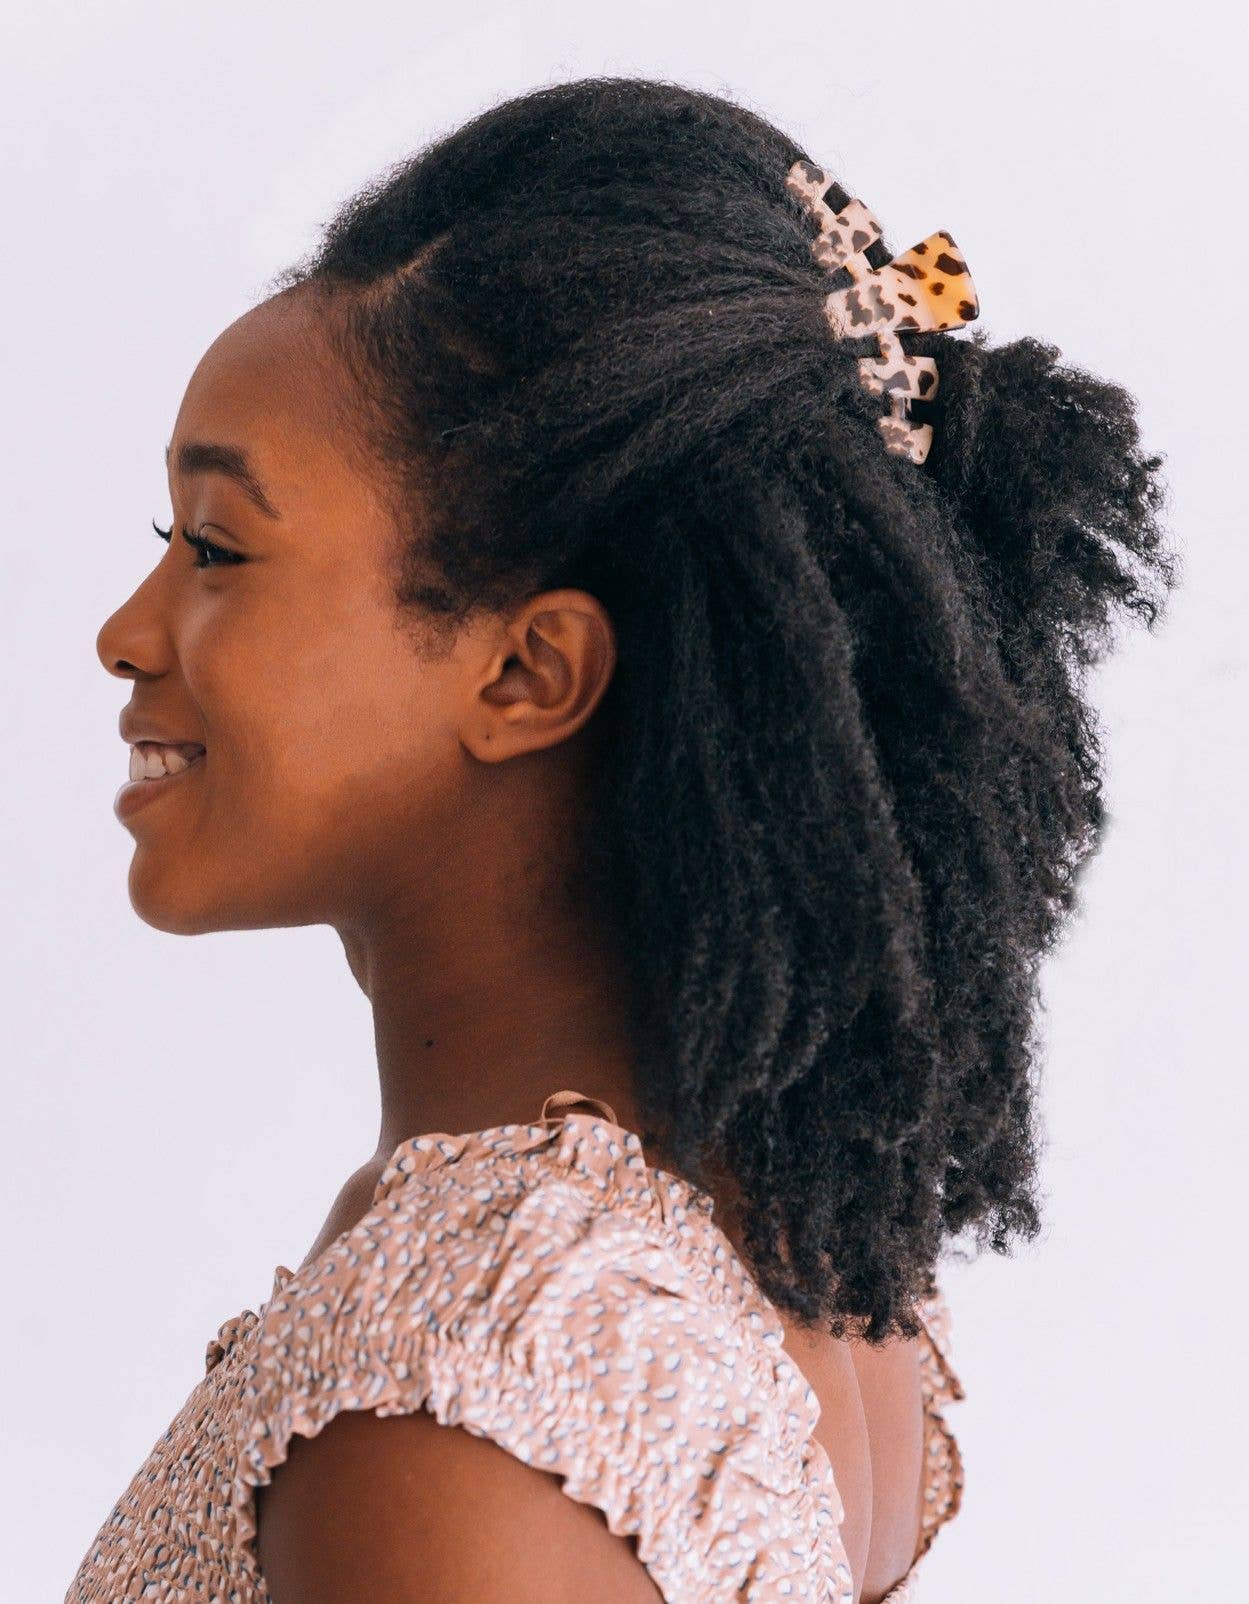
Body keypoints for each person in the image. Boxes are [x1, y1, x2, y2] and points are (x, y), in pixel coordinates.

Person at [72, 76, 1178, 1604]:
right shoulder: (774, 1248)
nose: (125, 635)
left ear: (527, 673)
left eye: (216, 548)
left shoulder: (460, 1411)